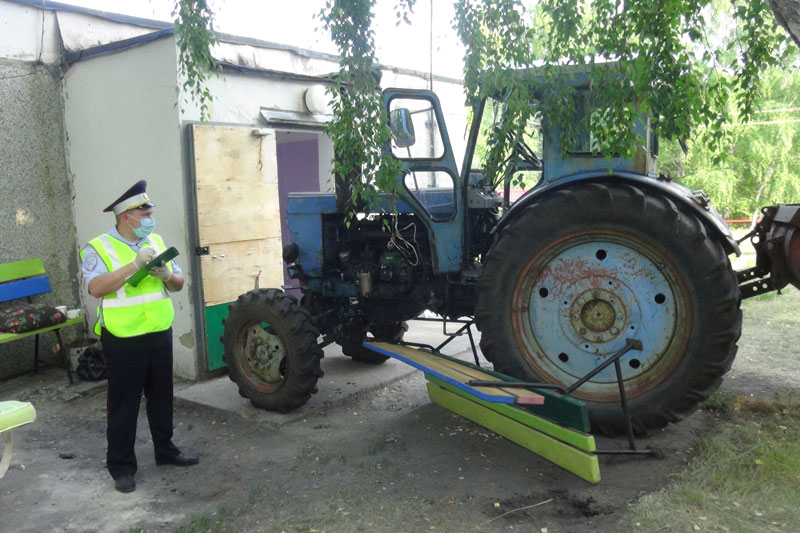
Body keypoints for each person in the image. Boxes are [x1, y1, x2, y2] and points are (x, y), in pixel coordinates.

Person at [79, 180, 198, 494]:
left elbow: (178, 282)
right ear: (126, 217)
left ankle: (166, 450)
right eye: (144, 213)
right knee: (124, 405)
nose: (150, 218)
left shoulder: (155, 241)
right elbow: (96, 288)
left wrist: (167, 275)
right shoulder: (99, 247)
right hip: (123, 336)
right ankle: (121, 467)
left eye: (150, 212)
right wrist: (134, 265)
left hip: (158, 331)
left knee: (162, 397)